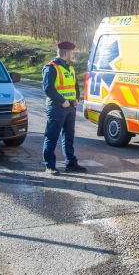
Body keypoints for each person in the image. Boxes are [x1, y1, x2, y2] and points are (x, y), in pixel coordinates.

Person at [42, 41, 86, 175]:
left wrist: (77, 98)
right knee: (52, 137)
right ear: (66, 53)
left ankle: (71, 163)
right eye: (72, 52)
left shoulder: (70, 68)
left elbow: (75, 86)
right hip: (56, 107)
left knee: (69, 137)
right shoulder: (51, 67)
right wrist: (62, 101)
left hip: (70, 108)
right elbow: (48, 89)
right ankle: (49, 165)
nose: (73, 55)